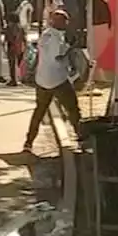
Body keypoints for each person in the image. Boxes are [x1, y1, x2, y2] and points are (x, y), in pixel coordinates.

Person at [23, 9, 82, 152]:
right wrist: (71, 47)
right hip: (57, 78)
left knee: (40, 110)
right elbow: (58, 56)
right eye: (65, 21)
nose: (67, 24)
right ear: (60, 22)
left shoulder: (45, 34)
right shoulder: (57, 37)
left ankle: (29, 141)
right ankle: (81, 136)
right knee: (72, 108)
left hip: (42, 79)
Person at [2, 11, 25, 87]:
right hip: (20, 46)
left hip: (12, 46)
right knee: (19, 63)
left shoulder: (9, 27)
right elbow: (24, 37)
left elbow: (9, 37)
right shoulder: (20, 27)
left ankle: (13, 79)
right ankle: (21, 77)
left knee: (12, 64)